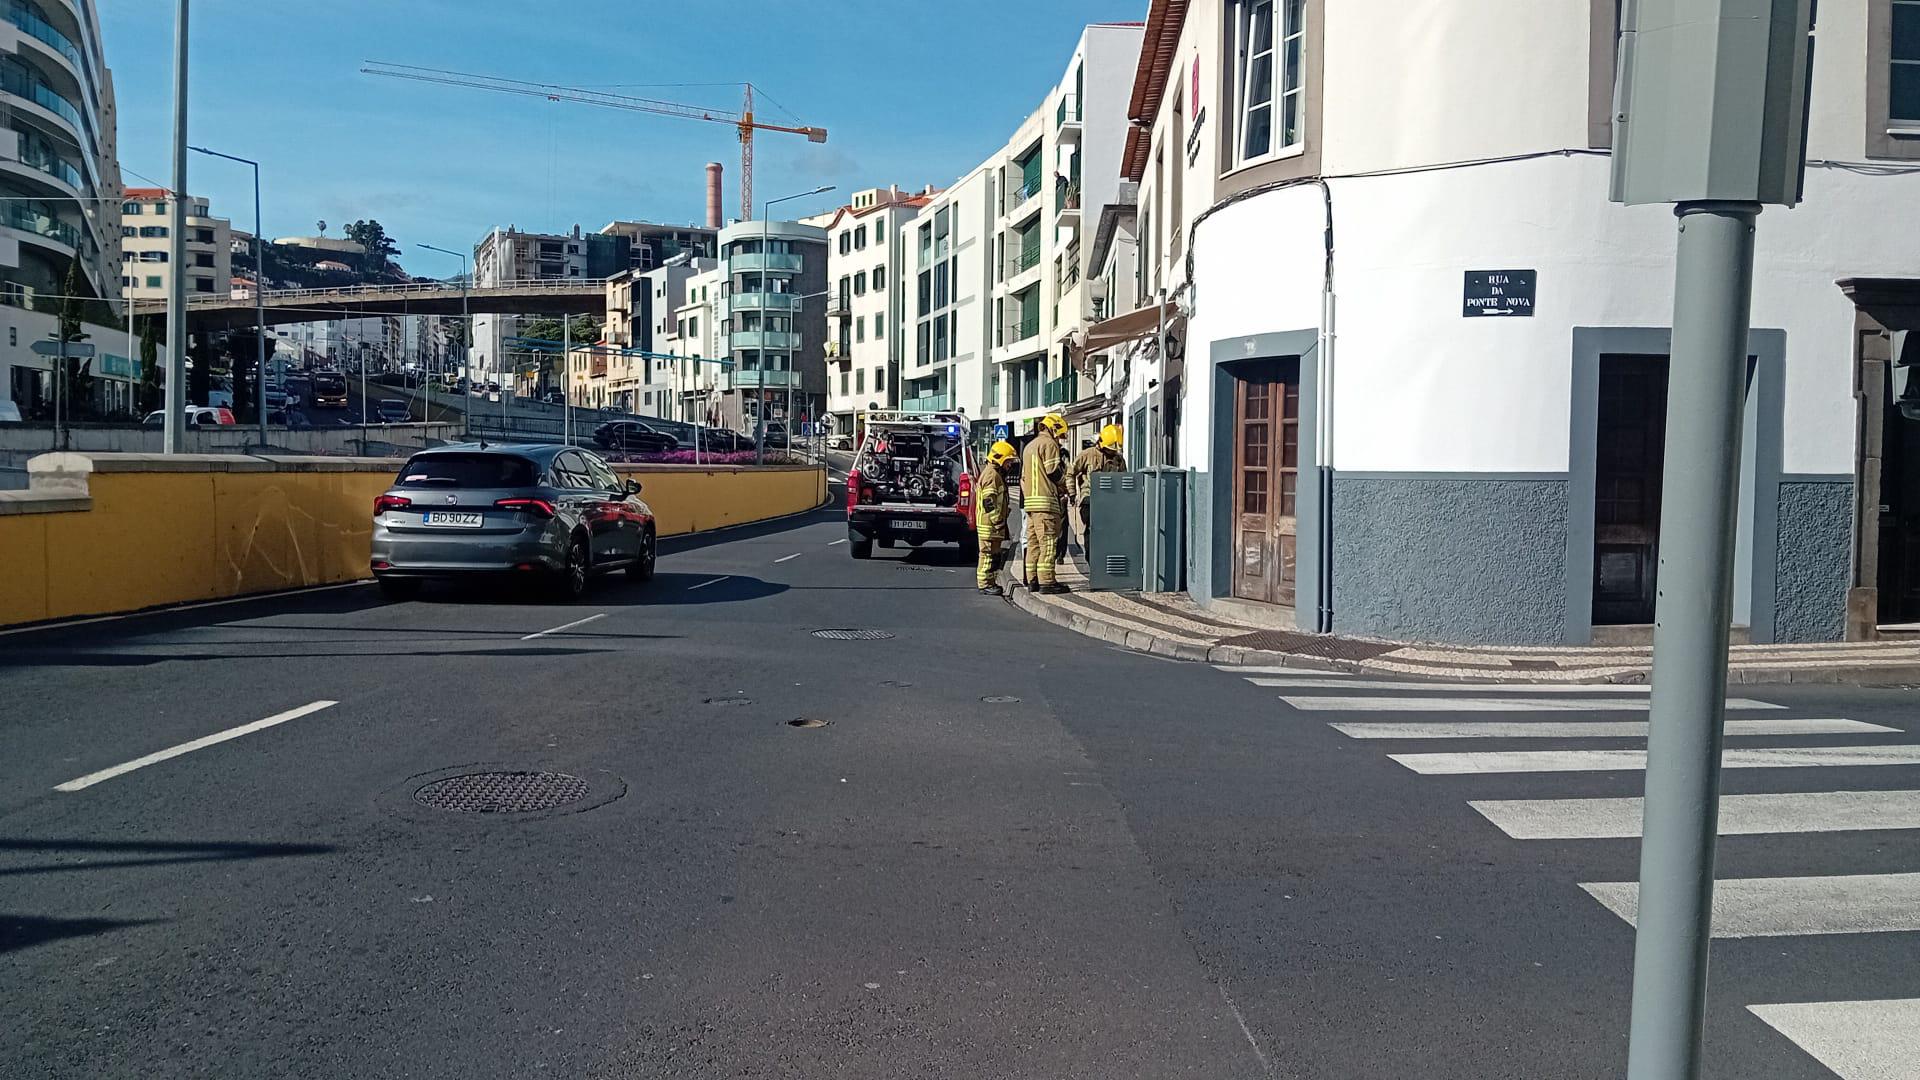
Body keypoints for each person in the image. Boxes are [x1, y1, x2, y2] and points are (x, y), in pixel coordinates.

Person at [1020, 413, 1070, 593]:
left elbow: (1024, 478)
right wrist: (1064, 485)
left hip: (1031, 505)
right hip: (1046, 503)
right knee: (1048, 543)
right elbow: (1052, 471)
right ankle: (1047, 582)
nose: (1060, 439)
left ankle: (1032, 580)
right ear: (1054, 428)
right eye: (1060, 434)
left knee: (1033, 544)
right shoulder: (1049, 444)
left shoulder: (1029, 447)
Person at [1066, 423, 1126, 557]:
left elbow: (1124, 479)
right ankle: (1092, 558)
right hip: (1090, 500)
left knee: (1110, 533)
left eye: (1114, 451)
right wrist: (1072, 493)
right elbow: (1070, 472)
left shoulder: (1118, 460)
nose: (1112, 453)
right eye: (1110, 450)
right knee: (1093, 529)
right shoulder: (1088, 455)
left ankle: (1104, 560)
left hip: (1110, 503)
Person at [975, 440, 1017, 595]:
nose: (1009, 466)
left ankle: (990, 582)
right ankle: (985, 584)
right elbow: (988, 501)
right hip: (989, 524)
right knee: (987, 555)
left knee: (994, 555)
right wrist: (997, 520)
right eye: (1008, 462)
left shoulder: (994, 473)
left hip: (992, 524)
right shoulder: (992, 475)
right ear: (1000, 459)